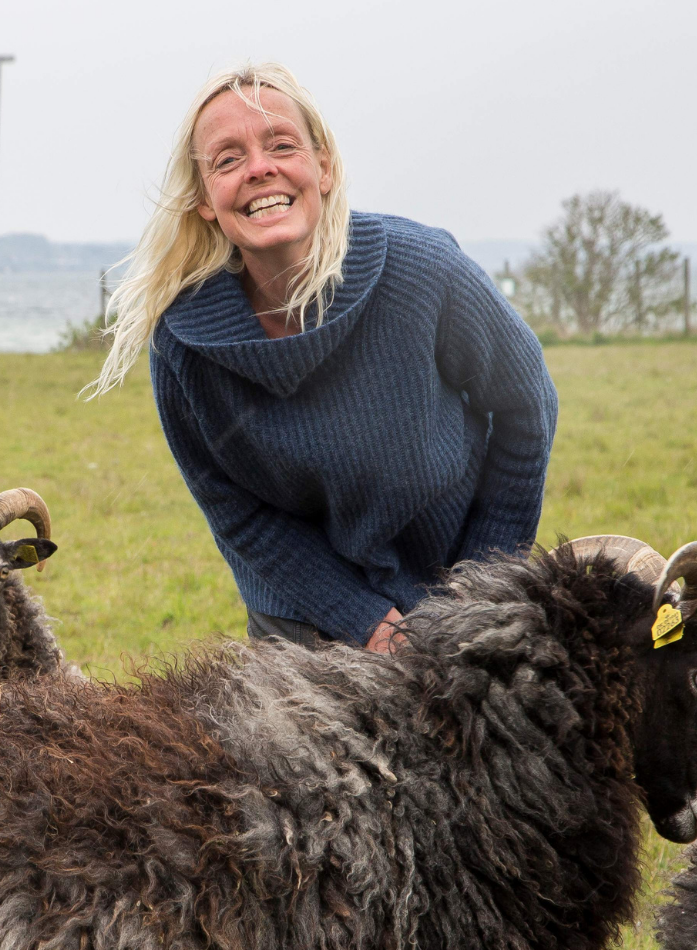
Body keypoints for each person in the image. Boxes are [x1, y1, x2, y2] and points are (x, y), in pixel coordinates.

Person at [90, 63, 557, 653]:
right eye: (227, 160)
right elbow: (240, 515)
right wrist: (368, 623)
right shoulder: (183, 342)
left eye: (281, 144)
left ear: (325, 168)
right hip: (303, 624)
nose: (259, 168)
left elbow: (527, 405)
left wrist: (482, 585)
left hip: (462, 597)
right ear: (205, 199)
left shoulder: (425, 271)